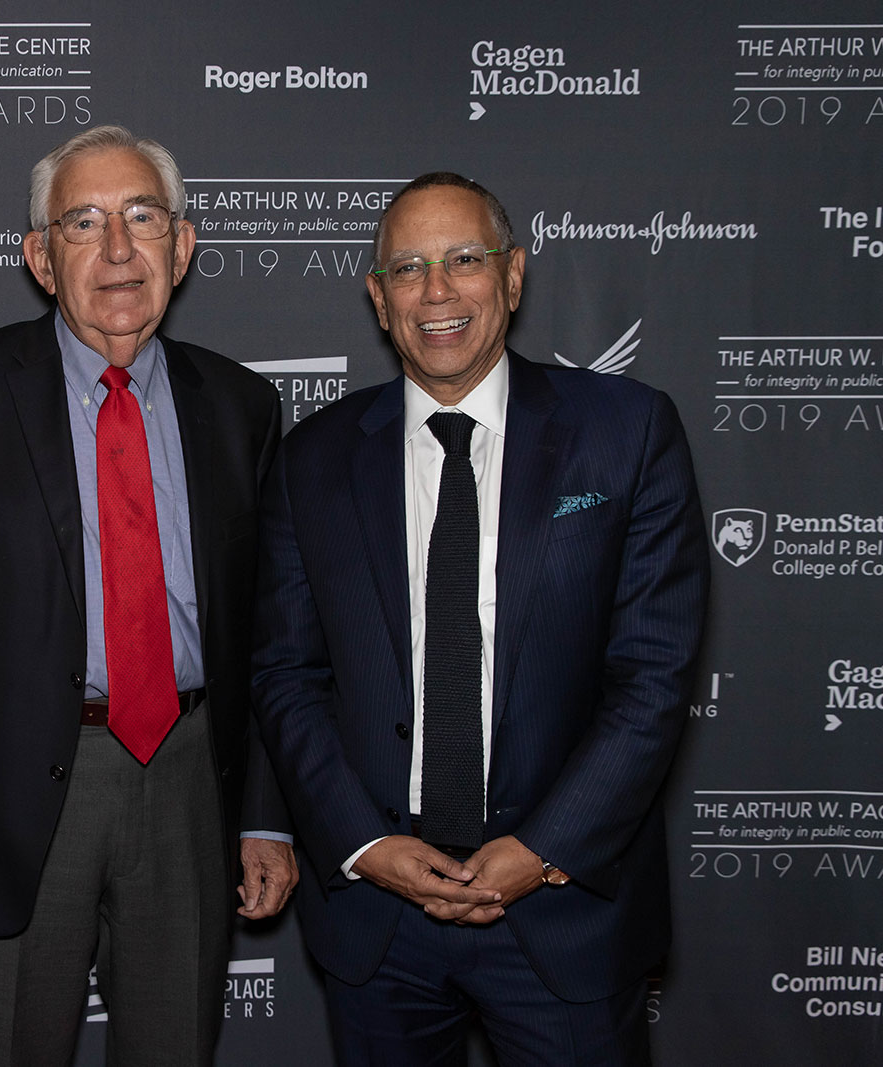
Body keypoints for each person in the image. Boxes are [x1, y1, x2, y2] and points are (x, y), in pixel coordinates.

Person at [0, 125, 298, 1065]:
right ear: (39, 257)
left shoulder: (242, 406)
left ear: (182, 246)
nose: (118, 250)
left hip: (189, 779)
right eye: (83, 223)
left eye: (143, 217)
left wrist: (263, 810)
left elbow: (265, 634)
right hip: (4, 800)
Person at [250, 172, 709, 1064]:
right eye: (409, 269)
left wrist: (540, 849)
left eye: (464, 259)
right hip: (379, 920)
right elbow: (287, 674)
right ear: (379, 300)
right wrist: (364, 842)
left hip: (562, 907)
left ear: (513, 275)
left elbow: (651, 674)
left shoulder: (628, 430)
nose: (437, 291)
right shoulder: (313, 459)